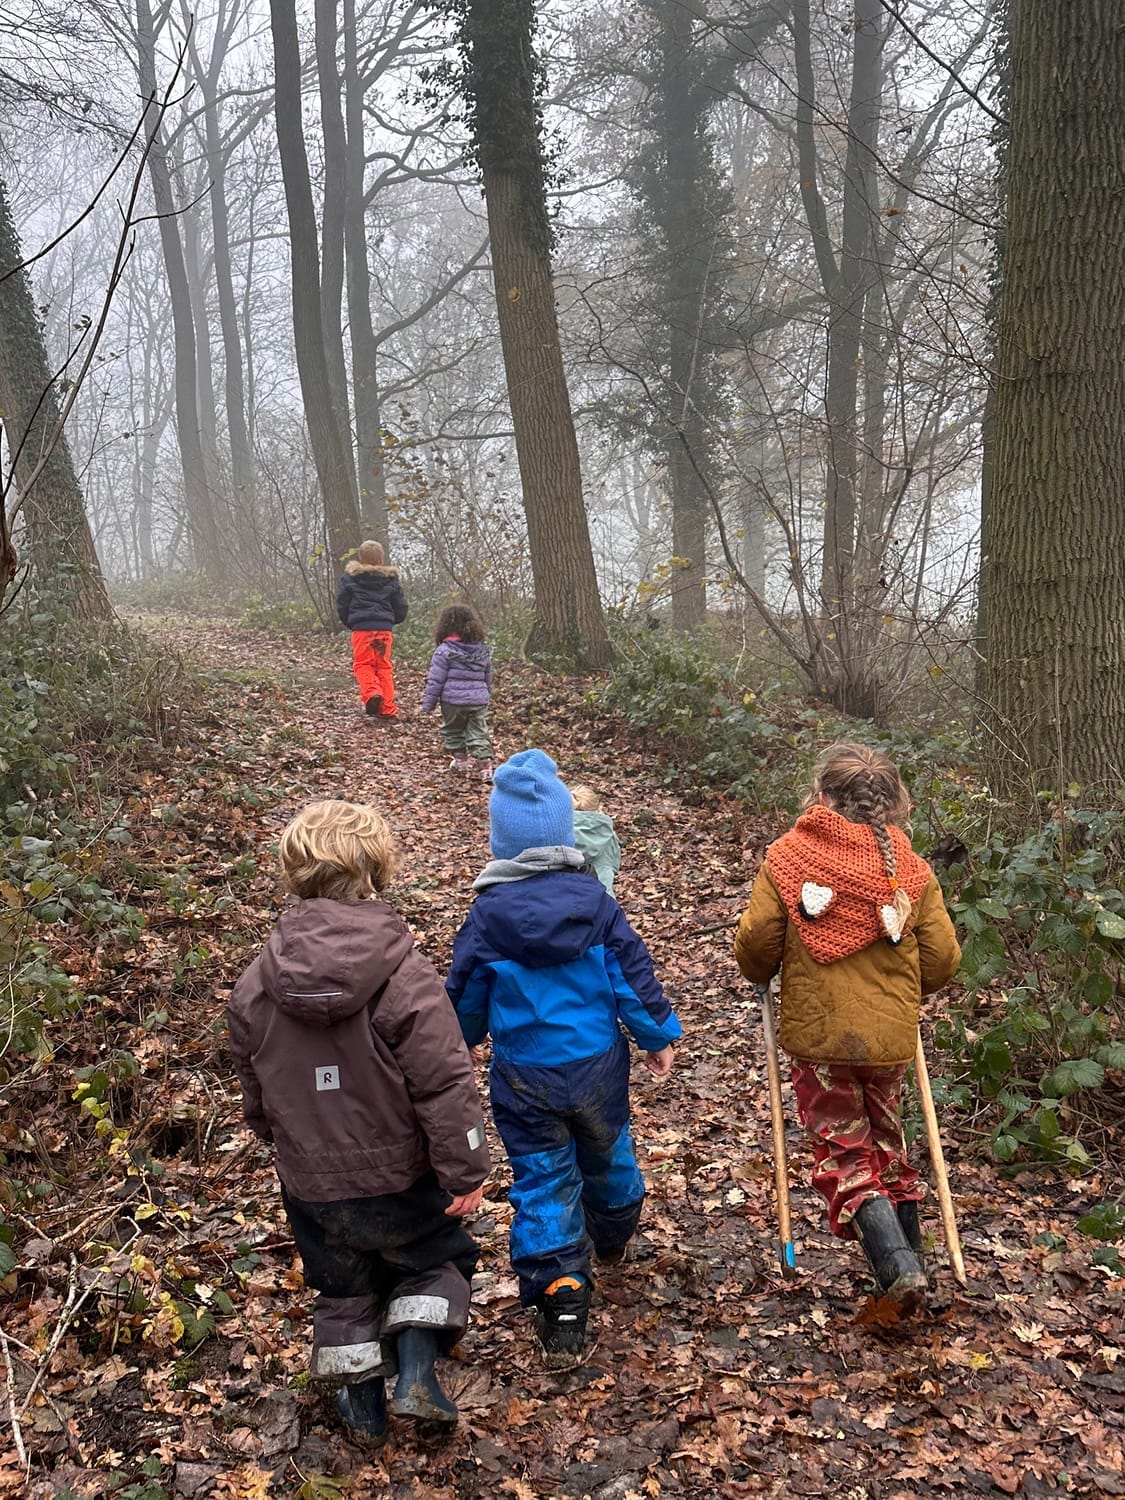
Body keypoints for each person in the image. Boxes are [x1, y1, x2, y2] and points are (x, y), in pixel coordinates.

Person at [227, 800, 489, 1441]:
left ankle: (362, 1407)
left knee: (342, 1288)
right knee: (433, 1259)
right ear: (376, 871)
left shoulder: (258, 982)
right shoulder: (401, 972)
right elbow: (443, 1078)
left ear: (294, 873)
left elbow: (254, 1077)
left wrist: (275, 1135)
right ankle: (417, 1369)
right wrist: (464, 1167)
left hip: (313, 1182)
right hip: (401, 1172)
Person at [445, 749, 682, 1367]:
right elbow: (632, 975)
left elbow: (466, 991)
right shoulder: (595, 903)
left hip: (526, 1075)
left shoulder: (487, 916)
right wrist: (656, 1035)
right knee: (607, 1148)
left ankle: (563, 1297)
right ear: (564, 832)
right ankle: (616, 1224)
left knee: (543, 1176)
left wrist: (462, 1037)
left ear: (500, 841)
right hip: (597, 1065)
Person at [733, 742, 960, 1311]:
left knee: (843, 1150)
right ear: (892, 802)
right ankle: (912, 1268)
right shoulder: (911, 869)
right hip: (890, 1037)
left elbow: (757, 945)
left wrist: (764, 966)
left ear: (822, 795)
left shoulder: (789, 857)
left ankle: (899, 1269)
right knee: (888, 1144)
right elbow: (942, 960)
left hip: (821, 1038)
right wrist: (903, 988)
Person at [336, 540, 408, 720]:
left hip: (362, 630)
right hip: (384, 630)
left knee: (363, 664)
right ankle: (388, 708)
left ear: (361, 558)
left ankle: (372, 692)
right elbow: (401, 607)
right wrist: (390, 621)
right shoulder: (391, 580)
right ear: (381, 559)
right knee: (384, 667)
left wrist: (351, 622)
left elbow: (342, 605)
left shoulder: (350, 578)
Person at [420, 603, 493, 780]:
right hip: (478, 700)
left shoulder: (443, 651)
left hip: (452, 701)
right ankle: (484, 764)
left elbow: (435, 680)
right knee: (479, 731)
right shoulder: (482, 651)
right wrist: (486, 694)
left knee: (453, 729)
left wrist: (428, 704)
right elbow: (487, 676)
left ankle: (460, 761)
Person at [570, 784, 622, 895]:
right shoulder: (608, 833)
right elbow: (615, 865)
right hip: (604, 898)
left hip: (568, 897)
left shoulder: (558, 833)